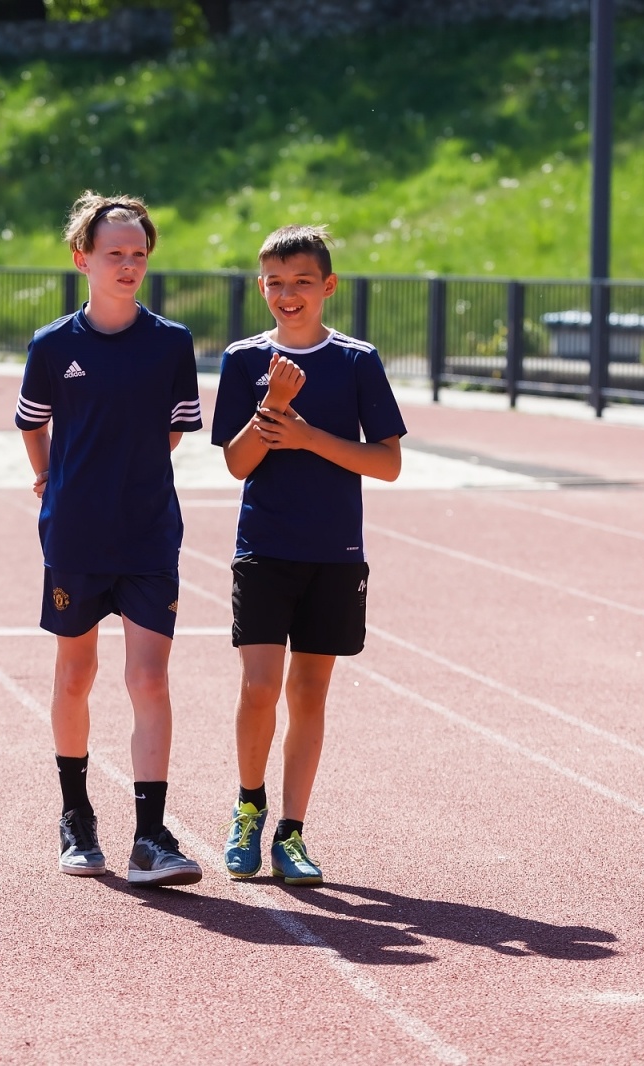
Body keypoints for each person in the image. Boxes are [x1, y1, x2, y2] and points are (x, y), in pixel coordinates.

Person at [15, 191, 205, 887]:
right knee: (76, 673)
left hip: (151, 531)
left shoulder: (171, 344)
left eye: (138, 255)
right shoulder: (52, 346)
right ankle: (76, 816)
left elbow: (177, 427)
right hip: (75, 533)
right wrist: (49, 478)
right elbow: (30, 421)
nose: (128, 266)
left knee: (149, 677)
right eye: (114, 254)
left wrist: (130, 471)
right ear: (82, 259)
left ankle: (151, 836)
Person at [210, 225, 406, 885]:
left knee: (310, 692)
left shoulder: (356, 361)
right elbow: (238, 462)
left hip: (335, 552)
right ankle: (247, 808)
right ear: (260, 285)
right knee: (259, 686)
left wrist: (308, 435)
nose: (287, 295)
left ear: (328, 286)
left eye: (301, 282)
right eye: (274, 282)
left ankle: (291, 832)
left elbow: (387, 464)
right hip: (264, 547)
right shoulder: (242, 359)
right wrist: (273, 404)